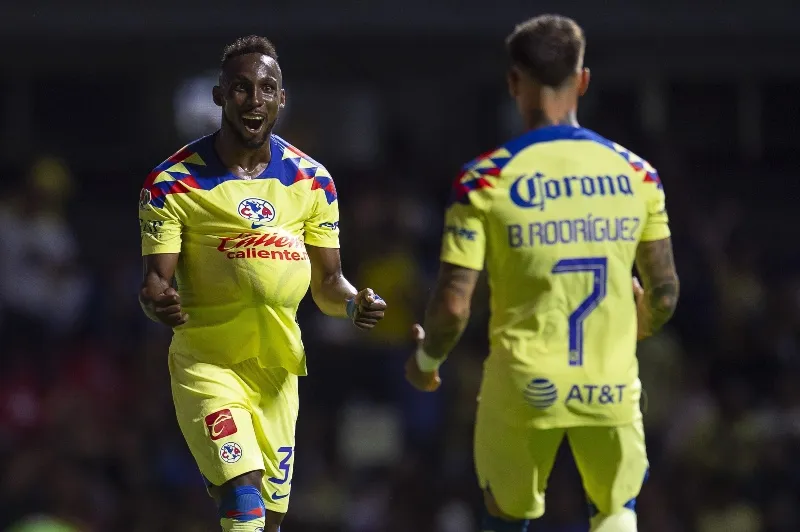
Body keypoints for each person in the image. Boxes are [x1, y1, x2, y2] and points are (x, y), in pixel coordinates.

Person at [404, 14, 679, 532]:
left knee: (506, 515)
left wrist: (426, 359)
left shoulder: (484, 180)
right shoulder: (638, 174)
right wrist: (639, 322)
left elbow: (453, 306)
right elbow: (664, 291)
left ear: (514, 83)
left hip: (525, 386)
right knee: (616, 510)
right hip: (610, 386)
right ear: (583, 81)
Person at [138, 36, 387, 532]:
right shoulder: (172, 183)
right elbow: (154, 283)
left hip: (277, 372)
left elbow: (329, 283)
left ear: (282, 99)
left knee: (267, 521)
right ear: (219, 96)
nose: (255, 100)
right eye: (241, 89)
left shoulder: (313, 182)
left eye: (266, 89)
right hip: (208, 364)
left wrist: (355, 303)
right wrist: (157, 302)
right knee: (242, 488)